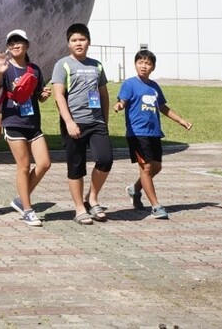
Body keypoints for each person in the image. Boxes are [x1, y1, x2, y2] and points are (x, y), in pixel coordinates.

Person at [114, 50, 192, 219]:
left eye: (148, 63)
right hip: (137, 134)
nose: (144, 66)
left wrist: (181, 120)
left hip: (154, 133)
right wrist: (119, 105)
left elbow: (163, 107)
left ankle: (134, 189)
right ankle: (156, 206)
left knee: (156, 167)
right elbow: (123, 101)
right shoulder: (129, 84)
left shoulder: (154, 86)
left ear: (153, 67)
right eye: (140, 62)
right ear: (135, 64)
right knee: (146, 168)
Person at [51, 23, 112, 225]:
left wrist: (105, 120)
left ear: (89, 42)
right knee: (76, 166)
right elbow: (58, 94)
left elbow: (104, 94)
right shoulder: (63, 64)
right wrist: (69, 121)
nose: (79, 43)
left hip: (96, 122)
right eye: (74, 40)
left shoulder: (97, 65)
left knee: (105, 160)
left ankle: (92, 198)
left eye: (82, 39)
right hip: (74, 122)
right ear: (68, 44)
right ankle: (79, 208)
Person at [0, 29, 52, 227]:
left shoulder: (34, 69)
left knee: (44, 163)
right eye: (11, 43)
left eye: (19, 42)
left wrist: (43, 96)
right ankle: (27, 209)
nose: (15, 45)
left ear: (27, 45)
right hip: (13, 122)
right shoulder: (5, 69)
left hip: (33, 123)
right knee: (23, 166)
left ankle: (20, 199)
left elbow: (38, 95)